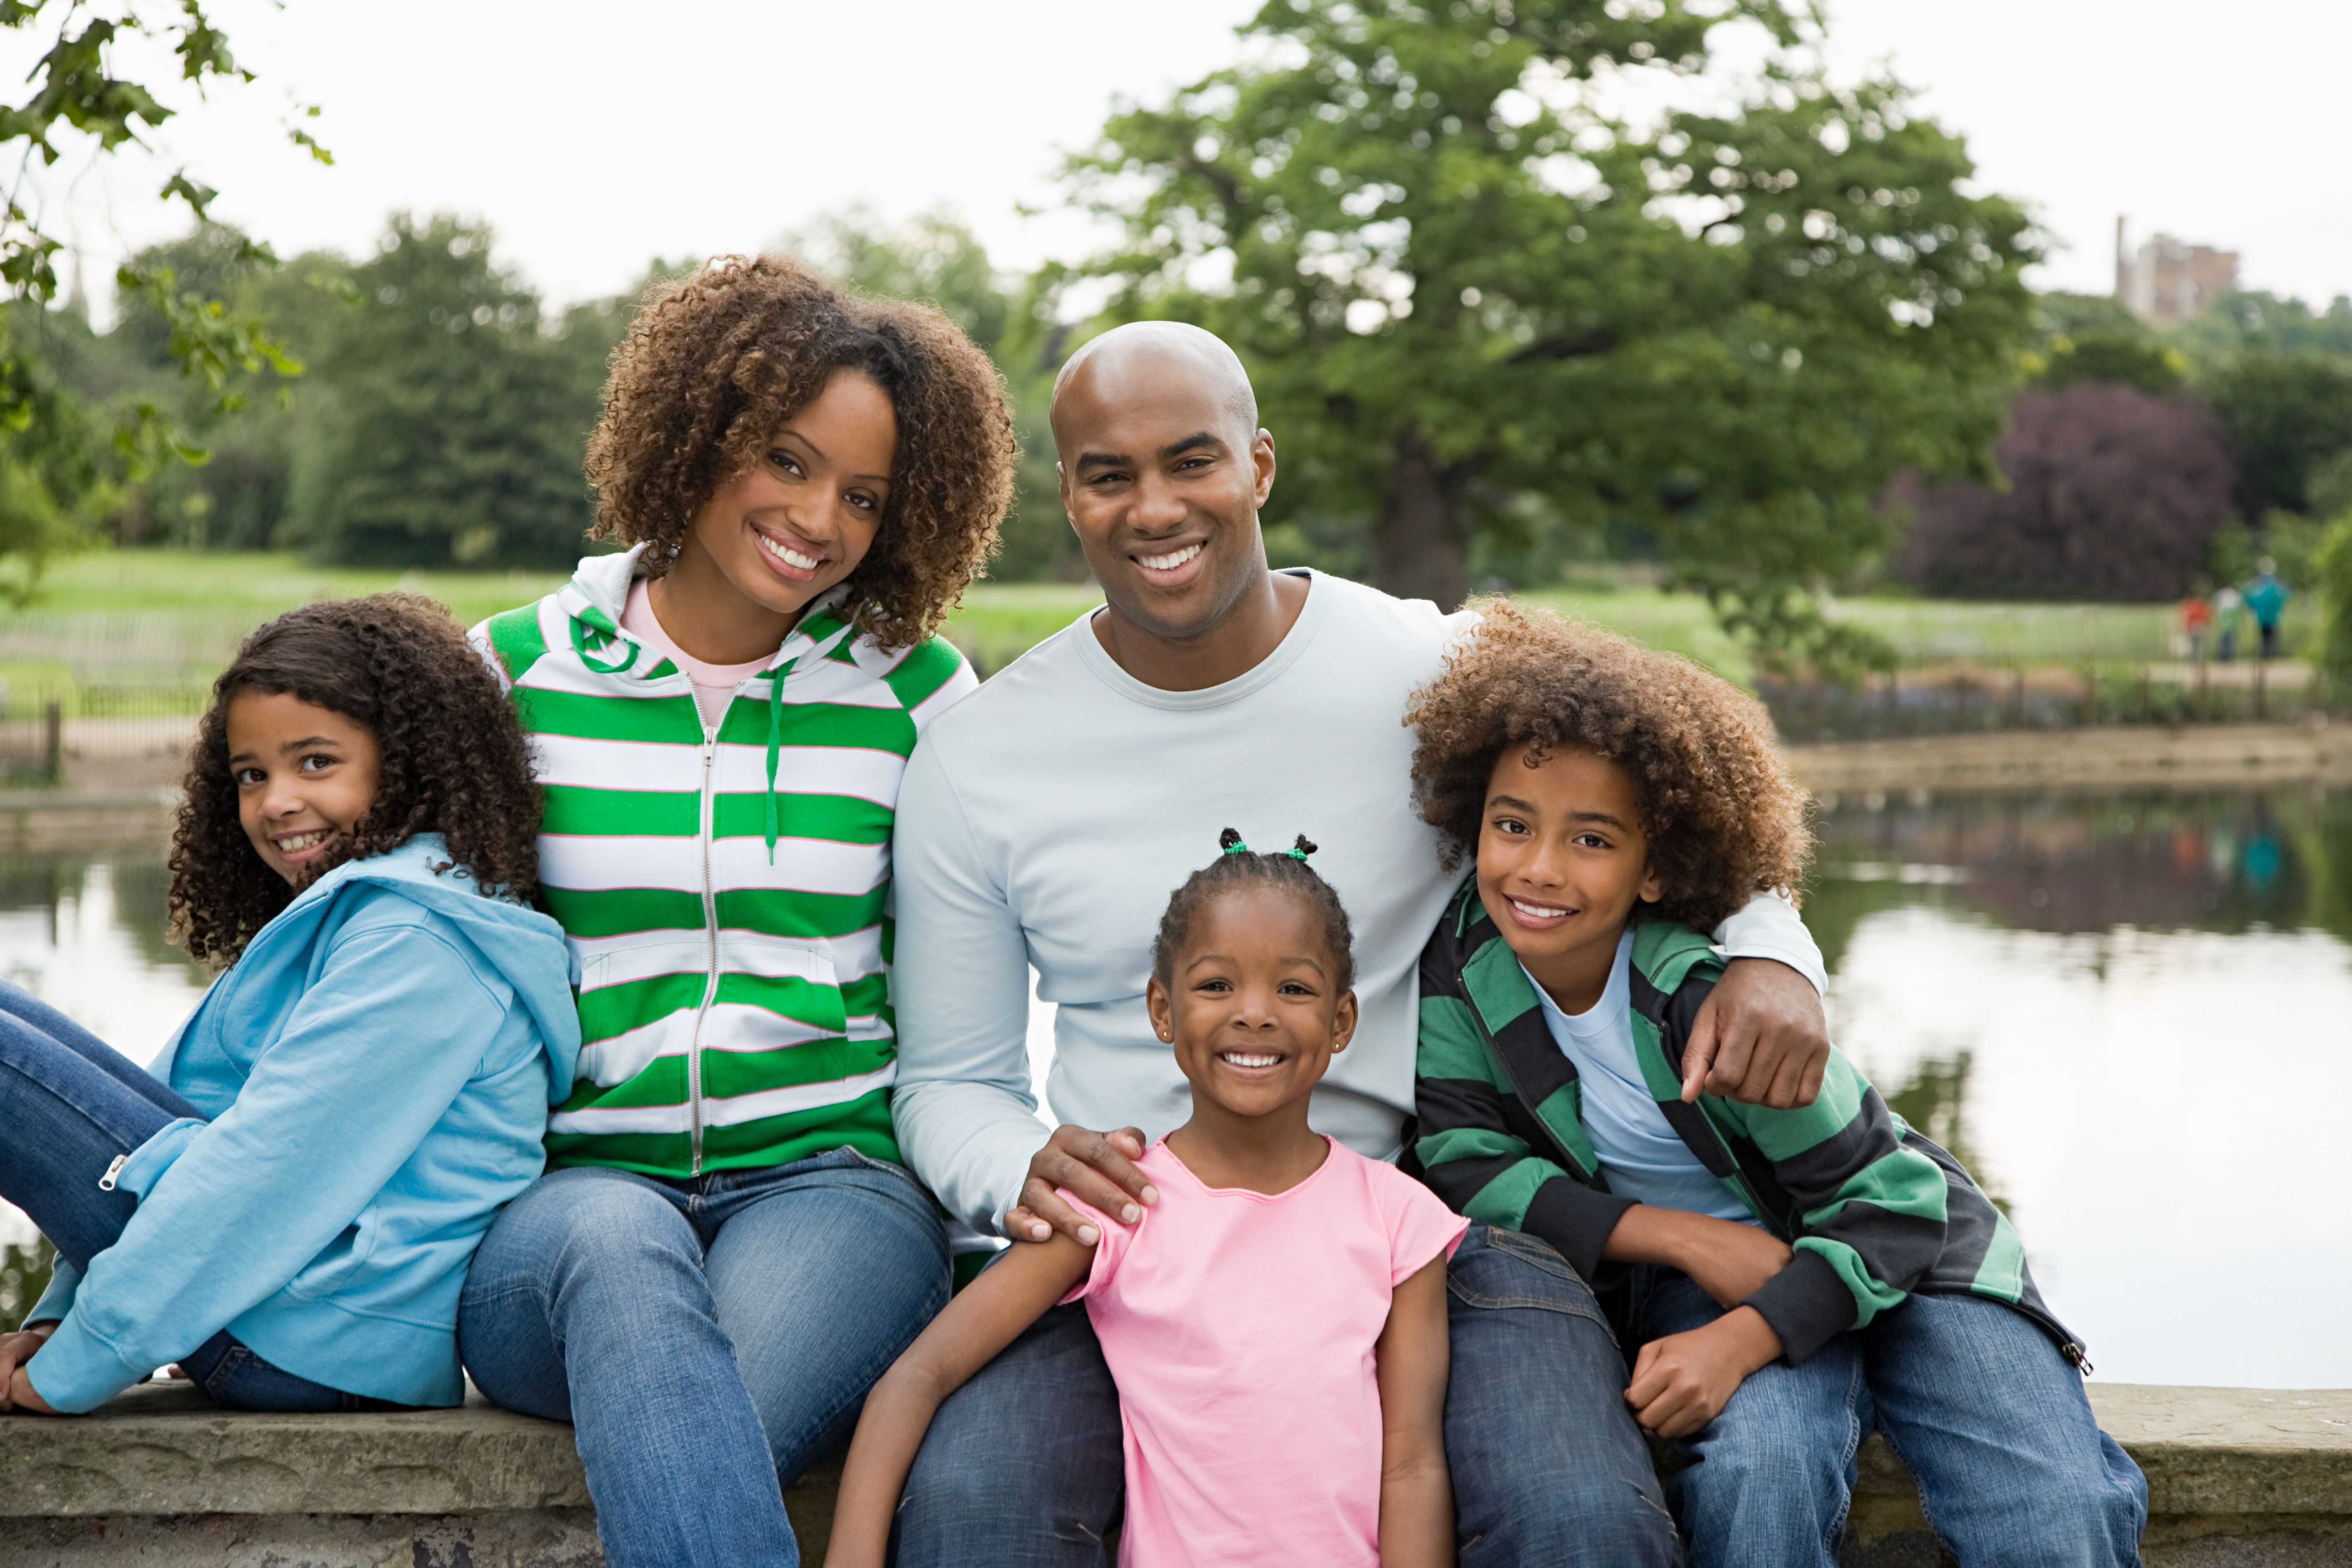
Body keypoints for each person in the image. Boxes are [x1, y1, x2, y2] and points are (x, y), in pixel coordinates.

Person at [887, 320, 1835, 1564]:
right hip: (1130, 1236)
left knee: (1584, 1520)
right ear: (1068, 494)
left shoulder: (1424, 665)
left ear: (1259, 465)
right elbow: (950, 1080)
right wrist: (1031, 1169)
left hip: (1437, 1217)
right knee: (974, 1514)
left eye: (1193, 460)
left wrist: (1772, 948)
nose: (1154, 507)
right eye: (1109, 475)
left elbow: (1672, 769)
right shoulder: (980, 756)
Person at [459, 255, 1015, 1568]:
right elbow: (390, 980)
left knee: (713, 1412)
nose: (818, 518)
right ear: (701, 435)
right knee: (622, 1249)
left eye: (864, 496)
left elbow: (973, 993)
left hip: (832, 1188)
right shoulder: (512, 673)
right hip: (568, 1203)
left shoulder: (918, 694)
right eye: (786, 460)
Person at [1410, 601, 2147, 1568]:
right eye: (1512, 824)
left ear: (1656, 869)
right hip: (1718, 1271)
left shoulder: (1713, 1007)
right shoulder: (1464, 964)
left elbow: (1895, 1206)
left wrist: (1743, 1339)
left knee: (2055, 1510)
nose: (1538, 868)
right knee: (1758, 1481)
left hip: (1908, 1256)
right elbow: (1467, 1163)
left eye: (1591, 839)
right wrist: (1684, 1237)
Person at [0, 596, 574, 1417]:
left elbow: (261, 1177)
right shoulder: (376, 913)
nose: (275, 802)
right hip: (285, 1314)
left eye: (315, 763)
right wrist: (61, 1317)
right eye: (252, 774)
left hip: (309, 1336)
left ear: (408, 764)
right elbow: (195, 1113)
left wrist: (78, 1366)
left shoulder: (421, 944)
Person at [827, 832, 1465, 1568]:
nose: (1255, 1013)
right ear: (1163, 1009)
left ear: (1342, 1020)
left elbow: (1412, 1463)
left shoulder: (1397, 1218)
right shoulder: (1119, 1205)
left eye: (1293, 989)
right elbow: (919, 1375)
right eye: (1216, 985)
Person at [2242, 557, 2289, 661]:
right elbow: (2286, 596)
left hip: (2263, 618)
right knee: (2271, 637)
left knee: (2265, 638)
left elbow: (2248, 597)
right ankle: (2269, 655)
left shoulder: (2259, 590)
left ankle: (2266, 655)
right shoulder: (2276, 589)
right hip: (2272, 618)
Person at [2179, 587, 2213, 663]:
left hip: (2194, 627)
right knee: (2199, 647)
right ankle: (2198, 662)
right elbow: (2207, 616)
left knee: (2194, 646)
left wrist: (2186, 627)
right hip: (2199, 626)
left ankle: (2195, 662)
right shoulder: (2202, 605)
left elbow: (2188, 617)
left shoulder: (2191, 606)